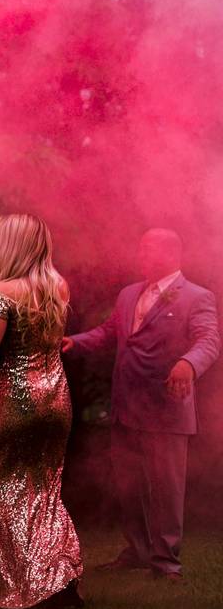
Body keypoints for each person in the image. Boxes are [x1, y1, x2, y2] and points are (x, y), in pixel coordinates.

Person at [63, 228, 220, 581]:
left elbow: (209, 340)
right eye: (141, 247)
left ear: (170, 253)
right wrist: (75, 342)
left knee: (167, 487)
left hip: (166, 406)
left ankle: (167, 563)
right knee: (129, 485)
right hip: (126, 406)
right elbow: (109, 332)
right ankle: (137, 550)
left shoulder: (197, 297)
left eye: (148, 249)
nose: (141, 255)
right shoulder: (129, 294)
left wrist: (189, 364)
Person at [0, 214, 82, 609]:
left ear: (14, 245)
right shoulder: (57, 286)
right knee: (46, 489)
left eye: (0, 240)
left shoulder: (2, 292)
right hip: (55, 399)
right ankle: (60, 579)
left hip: (17, 402)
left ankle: (33, 587)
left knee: (10, 491)